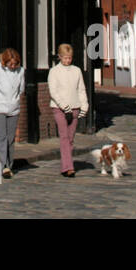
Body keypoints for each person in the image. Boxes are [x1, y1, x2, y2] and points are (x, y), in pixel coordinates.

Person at [47, 43, 88, 177]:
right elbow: (53, 91)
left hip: (75, 107)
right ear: (59, 57)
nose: (67, 60)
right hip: (60, 108)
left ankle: (66, 162)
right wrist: (64, 106)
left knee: (70, 139)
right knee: (64, 137)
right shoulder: (54, 72)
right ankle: (68, 167)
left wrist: (84, 105)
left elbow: (81, 89)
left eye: (69, 58)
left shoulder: (76, 71)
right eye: (65, 58)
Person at [0, 47, 24, 179]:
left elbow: (21, 89)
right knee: (2, 137)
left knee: (11, 138)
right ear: (5, 62)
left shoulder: (20, 71)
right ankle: (3, 166)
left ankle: (9, 164)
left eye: (15, 64)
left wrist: (15, 100)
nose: (13, 66)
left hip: (13, 109)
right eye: (10, 64)